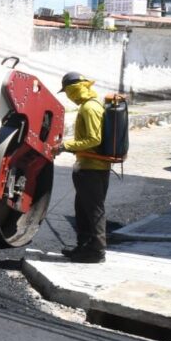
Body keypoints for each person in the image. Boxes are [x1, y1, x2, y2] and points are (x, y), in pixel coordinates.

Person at [53, 72, 110, 263]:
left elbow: (94, 139)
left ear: (74, 89)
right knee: (83, 210)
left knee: (93, 211)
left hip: (93, 169)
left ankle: (97, 251)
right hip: (88, 166)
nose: (68, 96)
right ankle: (83, 247)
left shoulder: (89, 108)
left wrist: (65, 146)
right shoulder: (90, 105)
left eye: (68, 92)